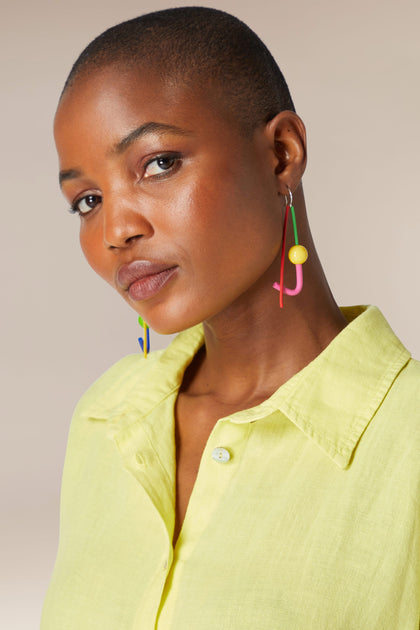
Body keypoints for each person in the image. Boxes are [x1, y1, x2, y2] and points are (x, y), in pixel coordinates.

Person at [41, 7, 420, 629]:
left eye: (157, 163)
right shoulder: (104, 419)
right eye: (87, 200)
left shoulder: (405, 445)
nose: (115, 230)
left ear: (280, 154)